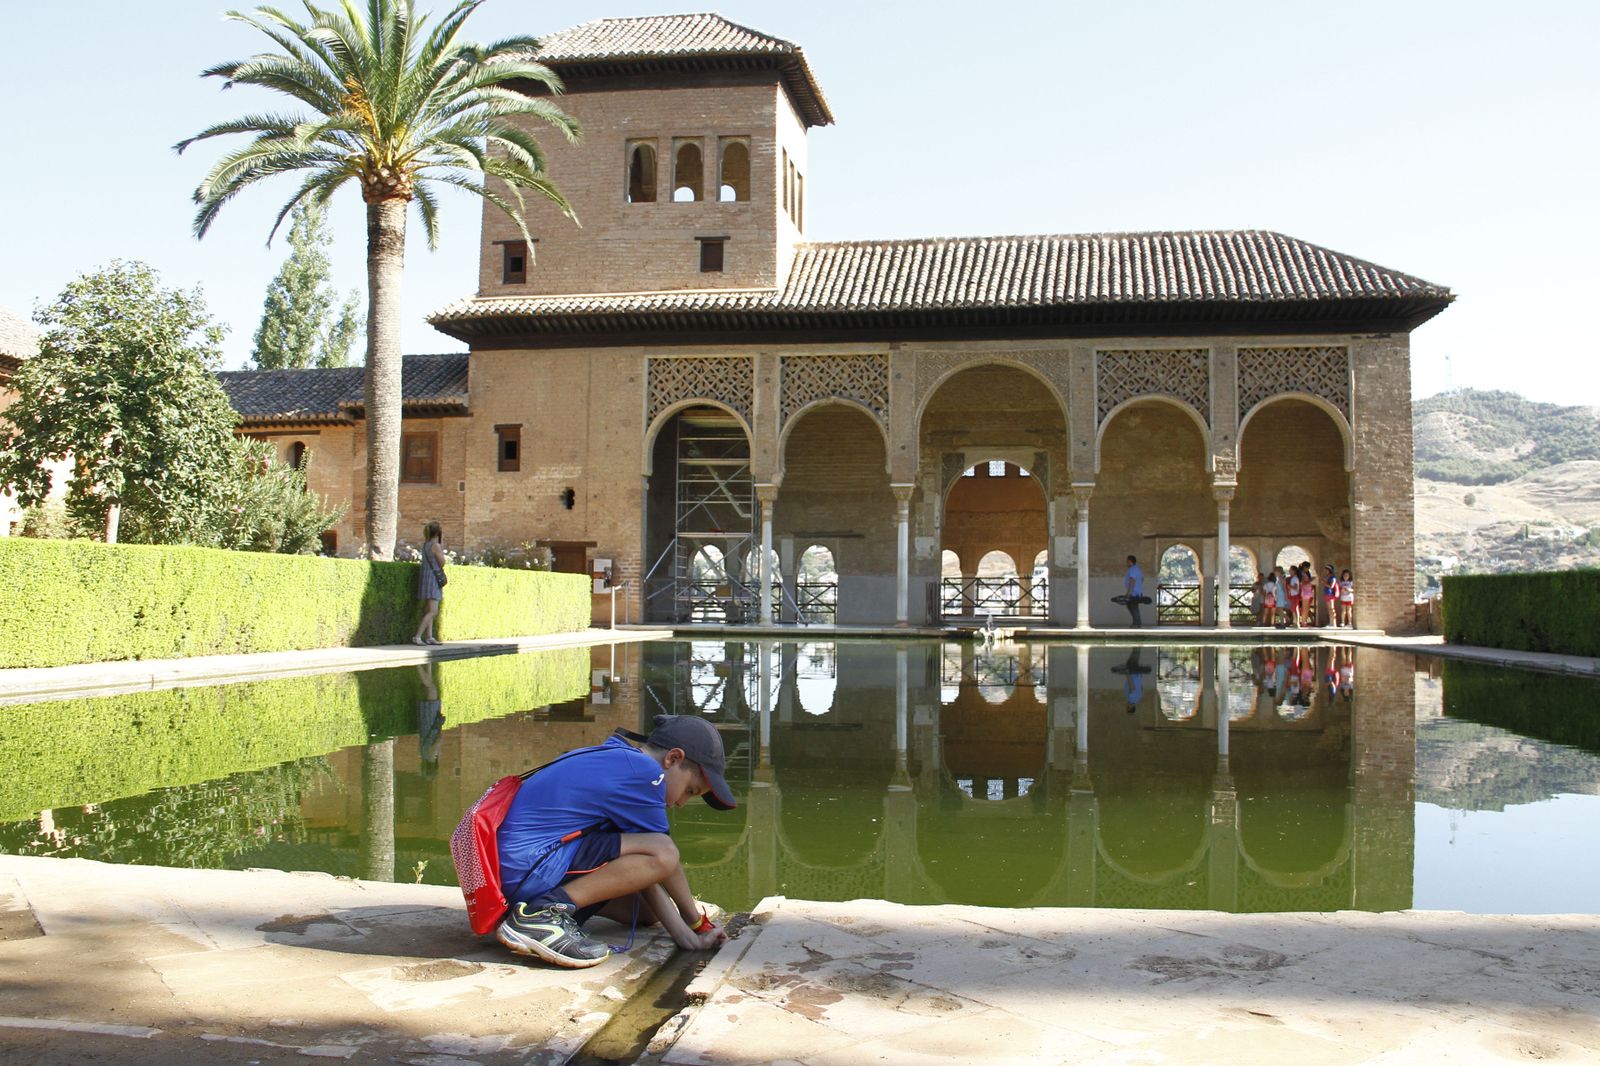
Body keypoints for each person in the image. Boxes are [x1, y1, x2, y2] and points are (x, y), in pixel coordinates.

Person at [492, 714, 734, 968]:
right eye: (690, 790)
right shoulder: (647, 774)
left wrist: (688, 939)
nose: (683, 802)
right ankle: (541, 914)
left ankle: (538, 911)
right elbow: (665, 859)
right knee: (664, 851)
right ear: (673, 758)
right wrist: (697, 923)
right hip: (530, 868)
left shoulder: (623, 759)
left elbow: (645, 870)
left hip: (518, 873)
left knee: (646, 912)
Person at [413, 520, 447, 646]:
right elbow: (442, 562)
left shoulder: (426, 544)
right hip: (433, 579)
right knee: (433, 611)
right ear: (438, 533)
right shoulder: (435, 545)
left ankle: (429, 637)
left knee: (429, 609)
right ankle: (417, 636)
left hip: (426, 577)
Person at [1111, 554, 1147, 627]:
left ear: (1130, 561)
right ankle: (1137, 622)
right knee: (1132, 606)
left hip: (1133, 593)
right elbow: (1142, 579)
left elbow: (1132, 580)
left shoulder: (1132, 569)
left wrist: (1129, 592)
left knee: (1132, 606)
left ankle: (1136, 623)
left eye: (1127, 561)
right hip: (1138, 592)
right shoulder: (1138, 569)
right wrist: (1138, 588)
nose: (1126, 563)